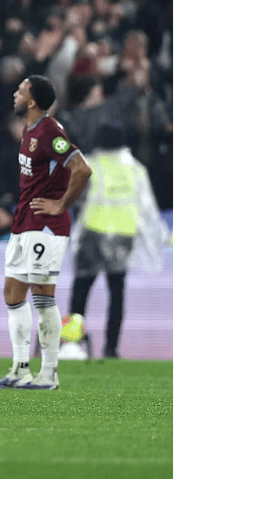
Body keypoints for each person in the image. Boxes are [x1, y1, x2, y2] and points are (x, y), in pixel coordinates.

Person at [0, 76, 92, 391]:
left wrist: (61, 204)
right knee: (12, 293)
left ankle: (48, 373)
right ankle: (20, 368)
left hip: (46, 227)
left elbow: (82, 168)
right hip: (24, 223)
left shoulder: (49, 131)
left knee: (43, 296)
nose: (15, 94)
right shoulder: (30, 130)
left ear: (32, 101)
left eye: (20, 91)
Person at [63, 124, 168, 360]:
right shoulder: (135, 169)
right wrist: (153, 237)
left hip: (93, 233)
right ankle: (111, 348)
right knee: (117, 294)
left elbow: (74, 198)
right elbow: (147, 207)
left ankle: (72, 343)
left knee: (81, 291)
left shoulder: (90, 164)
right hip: (123, 235)